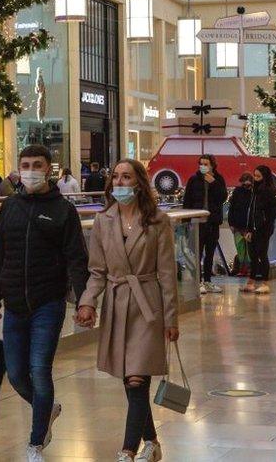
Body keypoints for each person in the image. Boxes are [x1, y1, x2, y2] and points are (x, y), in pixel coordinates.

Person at [0, 145, 89, 462]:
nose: (30, 170)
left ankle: (35, 443)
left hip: (48, 302)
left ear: (49, 170)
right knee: (16, 374)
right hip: (14, 303)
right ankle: (49, 410)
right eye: (25, 164)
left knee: (39, 370)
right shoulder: (10, 207)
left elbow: (77, 259)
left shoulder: (63, 210)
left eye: (37, 164)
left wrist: (85, 300)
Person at [75, 159, 178, 462]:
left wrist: (170, 318)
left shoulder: (158, 221)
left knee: (137, 379)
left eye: (127, 177)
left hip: (148, 306)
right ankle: (153, 442)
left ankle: (127, 451)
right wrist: (87, 301)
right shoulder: (103, 220)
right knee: (130, 381)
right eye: (116, 177)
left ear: (139, 183)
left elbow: (167, 274)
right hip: (117, 304)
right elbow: (96, 271)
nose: (120, 182)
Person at [182, 154, 227, 294]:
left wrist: (213, 183)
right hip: (197, 222)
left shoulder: (218, 179)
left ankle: (208, 280)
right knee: (197, 252)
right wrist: (186, 221)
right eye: (201, 163)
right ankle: (198, 281)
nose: (203, 166)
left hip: (212, 222)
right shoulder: (194, 180)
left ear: (212, 165)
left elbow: (223, 197)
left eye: (206, 163)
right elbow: (187, 200)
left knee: (210, 252)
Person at [243, 165, 276, 294]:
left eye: (258, 176)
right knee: (253, 255)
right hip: (253, 228)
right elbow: (251, 210)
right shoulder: (255, 191)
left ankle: (265, 282)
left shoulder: (268, 191)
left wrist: (266, 219)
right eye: (255, 176)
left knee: (262, 254)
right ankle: (251, 280)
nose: (256, 179)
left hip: (263, 229)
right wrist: (249, 228)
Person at [227, 173, 253, 277]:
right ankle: (243, 269)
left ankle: (250, 269)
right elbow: (231, 209)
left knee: (250, 250)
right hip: (237, 226)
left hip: (249, 227)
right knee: (241, 249)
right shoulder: (237, 192)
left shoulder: (254, 193)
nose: (246, 183)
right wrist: (231, 223)